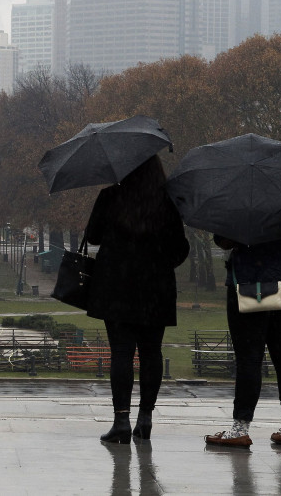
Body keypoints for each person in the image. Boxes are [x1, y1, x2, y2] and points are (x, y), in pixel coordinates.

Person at [86, 155, 189, 444]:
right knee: (151, 353)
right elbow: (179, 250)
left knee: (121, 353)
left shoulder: (110, 197)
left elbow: (92, 237)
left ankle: (121, 419)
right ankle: (145, 417)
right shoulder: (167, 203)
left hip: (116, 286)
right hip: (155, 288)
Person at [205, 236, 281, 448]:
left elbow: (223, 240)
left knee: (249, 359)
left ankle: (240, 428)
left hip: (248, 284)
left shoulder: (238, 205)